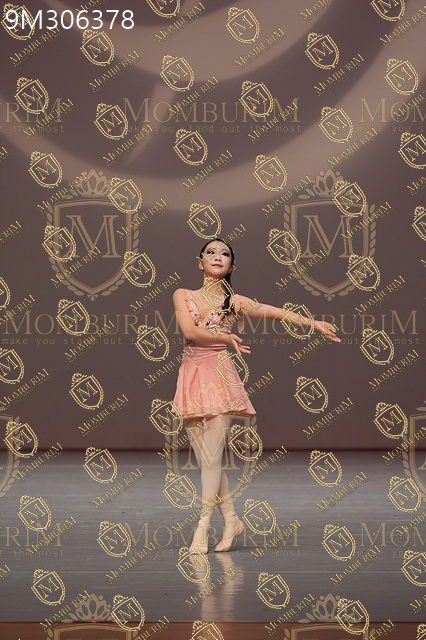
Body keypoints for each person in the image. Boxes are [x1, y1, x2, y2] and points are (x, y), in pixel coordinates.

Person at [171, 238, 340, 554]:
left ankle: (202, 527)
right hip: (192, 374)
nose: (218, 256)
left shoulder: (236, 302)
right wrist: (224, 336)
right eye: (211, 252)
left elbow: (276, 312)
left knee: (212, 457)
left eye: (225, 253)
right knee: (206, 461)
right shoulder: (183, 294)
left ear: (232, 266)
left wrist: (314, 323)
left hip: (219, 375)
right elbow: (189, 332)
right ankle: (232, 519)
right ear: (200, 262)